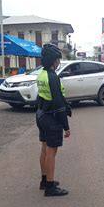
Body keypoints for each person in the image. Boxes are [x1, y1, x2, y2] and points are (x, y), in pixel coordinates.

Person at [36, 44, 71, 197]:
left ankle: (44, 181)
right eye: (57, 59)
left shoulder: (41, 74)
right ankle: (50, 187)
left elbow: (41, 96)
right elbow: (58, 105)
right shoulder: (53, 77)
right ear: (53, 60)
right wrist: (66, 126)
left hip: (41, 114)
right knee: (52, 151)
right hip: (51, 117)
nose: (58, 62)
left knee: (44, 149)